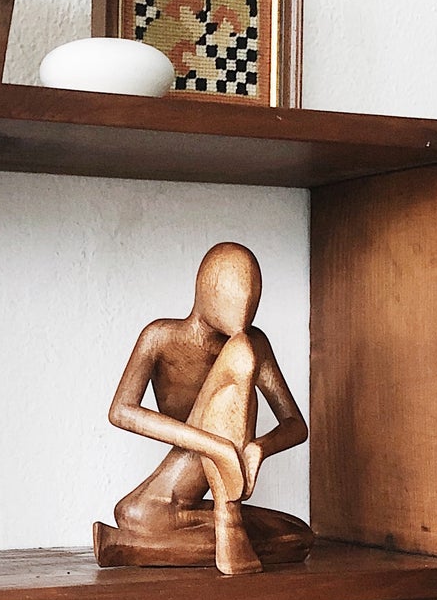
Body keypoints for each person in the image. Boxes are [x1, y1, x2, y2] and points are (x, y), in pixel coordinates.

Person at [95, 242, 312, 576]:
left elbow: (296, 425)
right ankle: (226, 518)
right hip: (178, 477)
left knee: (299, 535)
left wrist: (258, 449)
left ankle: (130, 547)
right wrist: (215, 447)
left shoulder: (255, 341)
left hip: (202, 492)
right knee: (241, 351)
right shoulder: (161, 336)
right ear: (206, 292)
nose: (244, 317)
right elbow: (121, 411)